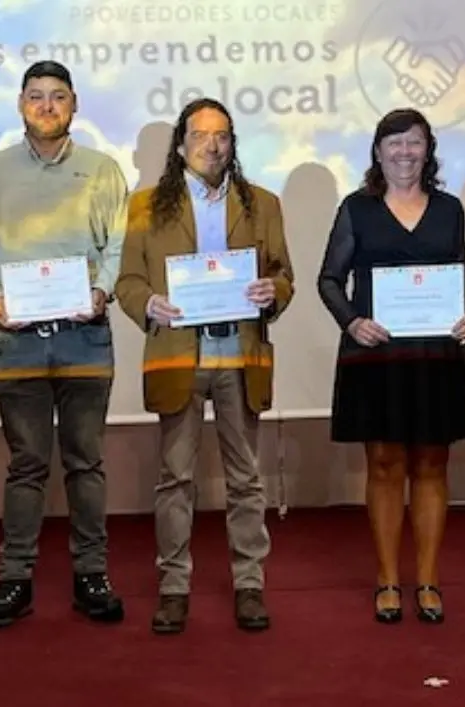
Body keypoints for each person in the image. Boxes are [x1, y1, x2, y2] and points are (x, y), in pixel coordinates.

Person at [0, 60, 127, 630]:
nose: (47, 106)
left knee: (86, 463)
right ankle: (14, 581)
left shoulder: (102, 171)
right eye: (36, 96)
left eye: (58, 96)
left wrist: (102, 291)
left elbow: (119, 248)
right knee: (26, 467)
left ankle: (92, 576)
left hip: (84, 338)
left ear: (74, 105)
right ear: (20, 105)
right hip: (20, 342)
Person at [114, 97, 295, 634]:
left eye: (222, 135)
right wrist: (149, 304)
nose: (212, 145)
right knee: (175, 478)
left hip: (241, 353)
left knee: (246, 479)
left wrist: (272, 292)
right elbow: (128, 282)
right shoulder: (145, 206)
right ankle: (173, 587)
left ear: (232, 143)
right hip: (177, 355)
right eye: (200, 135)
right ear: (180, 143)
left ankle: (249, 584)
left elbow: (285, 276)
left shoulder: (262, 203)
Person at [316, 108, 465, 624]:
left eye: (414, 143)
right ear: (378, 152)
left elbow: (463, 274)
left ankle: (428, 581)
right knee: (385, 468)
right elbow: (328, 280)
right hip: (377, 357)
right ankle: (388, 580)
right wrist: (352, 322)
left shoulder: (450, 209)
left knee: (432, 466)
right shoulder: (356, 209)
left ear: (427, 149)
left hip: (436, 357)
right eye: (394, 144)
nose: (404, 153)